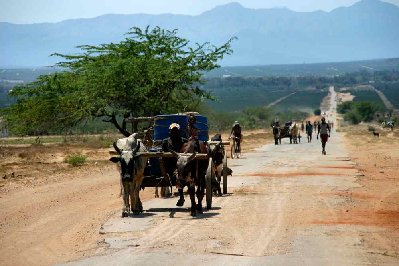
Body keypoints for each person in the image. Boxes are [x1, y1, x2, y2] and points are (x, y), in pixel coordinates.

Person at [161, 123, 187, 205]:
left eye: (176, 131)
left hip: (182, 165)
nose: (174, 132)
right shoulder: (165, 142)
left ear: (179, 132)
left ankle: (181, 197)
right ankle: (181, 196)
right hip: (169, 165)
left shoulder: (184, 141)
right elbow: (162, 154)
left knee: (179, 175)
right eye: (173, 131)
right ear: (170, 132)